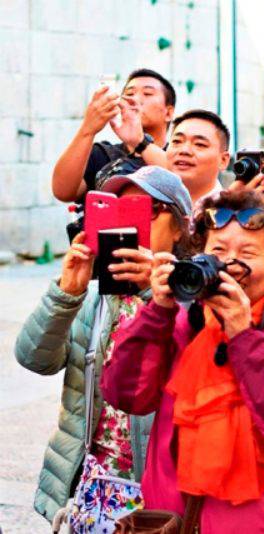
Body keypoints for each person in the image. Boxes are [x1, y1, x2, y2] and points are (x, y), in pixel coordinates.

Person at [100, 191, 264, 533]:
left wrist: (244, 335)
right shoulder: (182, 323)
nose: (228, 265)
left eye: (248, 253)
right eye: (217, 252)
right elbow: (126, 395)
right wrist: (157, 312)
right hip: (172, 522)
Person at [15, 166, 192, 527]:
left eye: (148, 210)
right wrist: (66, 293)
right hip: (93, 482)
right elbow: (34, 358)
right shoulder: (95, 296)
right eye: (120, 211)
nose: (132, 225)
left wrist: (152, 292)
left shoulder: (193, 300)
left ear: (180, 227)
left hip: (159, 486)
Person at [52, 69, 176, 202]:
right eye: (129, 93)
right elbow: (63, 192)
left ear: (168, 113)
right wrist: (87, 130)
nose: (134, 98)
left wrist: (140, 142)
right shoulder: (102, 154)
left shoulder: (178, 157)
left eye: (147, 93)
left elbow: (184, 187)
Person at [166, 109, 231, 203]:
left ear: (223, 160)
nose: (184, 150)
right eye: (177, 141)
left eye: (199, 144)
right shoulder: (151, 206)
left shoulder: (235, 214)